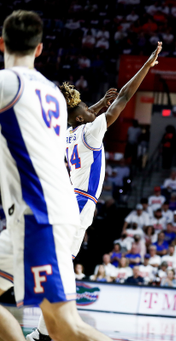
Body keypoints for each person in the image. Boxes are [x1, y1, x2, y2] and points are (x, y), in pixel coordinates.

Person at [26, 39, 162, 341]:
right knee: (60, 265)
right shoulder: (89, 132)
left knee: (61, 263)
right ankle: (51, 328)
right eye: (89, 108)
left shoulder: (70, 134)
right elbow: (124, 97)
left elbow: (82, 113)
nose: (94, 110)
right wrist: (146, 67)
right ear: (80, 116)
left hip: (68, 200)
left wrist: (98, 102)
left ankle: (41, 332)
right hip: (79, 203)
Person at [0, 10, 113, 341]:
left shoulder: (7, 83)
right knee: (60, 327)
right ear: (38, 49)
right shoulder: (51, 93)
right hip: (47, 212)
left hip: (39, 216)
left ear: (2, 44)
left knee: (66, 328)